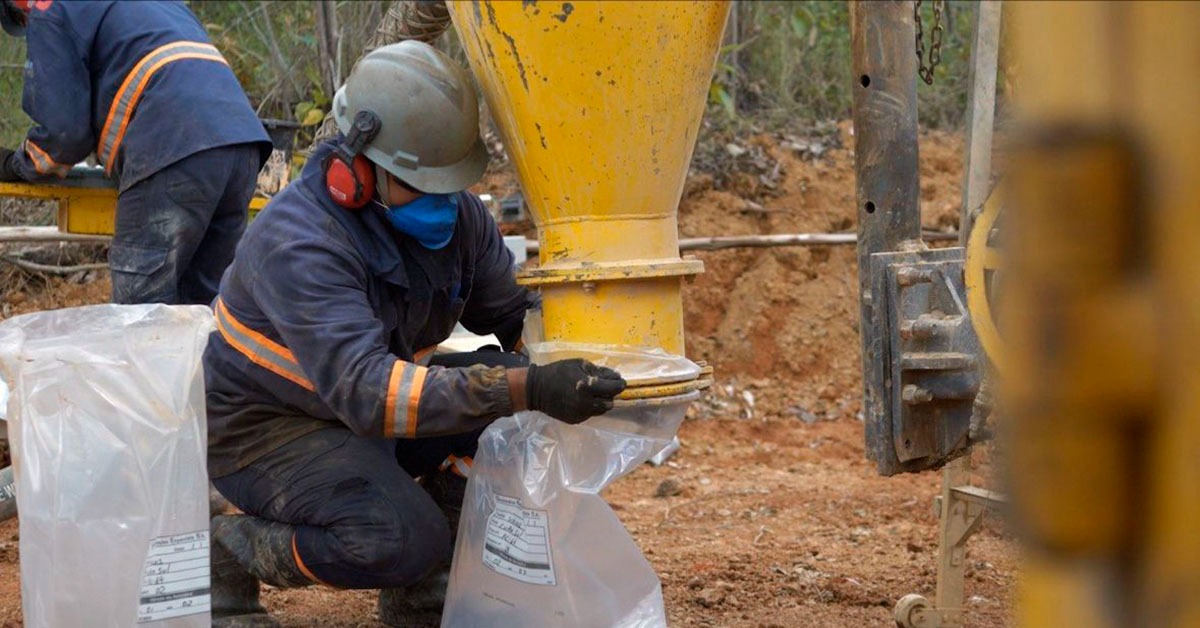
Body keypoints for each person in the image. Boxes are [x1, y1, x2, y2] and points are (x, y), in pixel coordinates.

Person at [203, 41, 627, 627]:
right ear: (355, 168)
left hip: (366, 418)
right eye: (419, 182)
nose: (442, 201)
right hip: (267, 431)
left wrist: (587, 361)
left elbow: (513, 317)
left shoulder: (459, 219)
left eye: (449, 182)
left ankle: (423, 597)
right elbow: (369, 393)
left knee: (509, 398)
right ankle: (229, 543)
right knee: (397, 537)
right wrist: (528, 388)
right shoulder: (300, 243)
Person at [0, 0, 271, 305]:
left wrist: (19, 163)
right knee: (204, 310)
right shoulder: (155, 6)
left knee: (139, 318)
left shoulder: (49, 9)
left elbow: (64, 136)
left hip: (172, 145)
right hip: (242, 142)